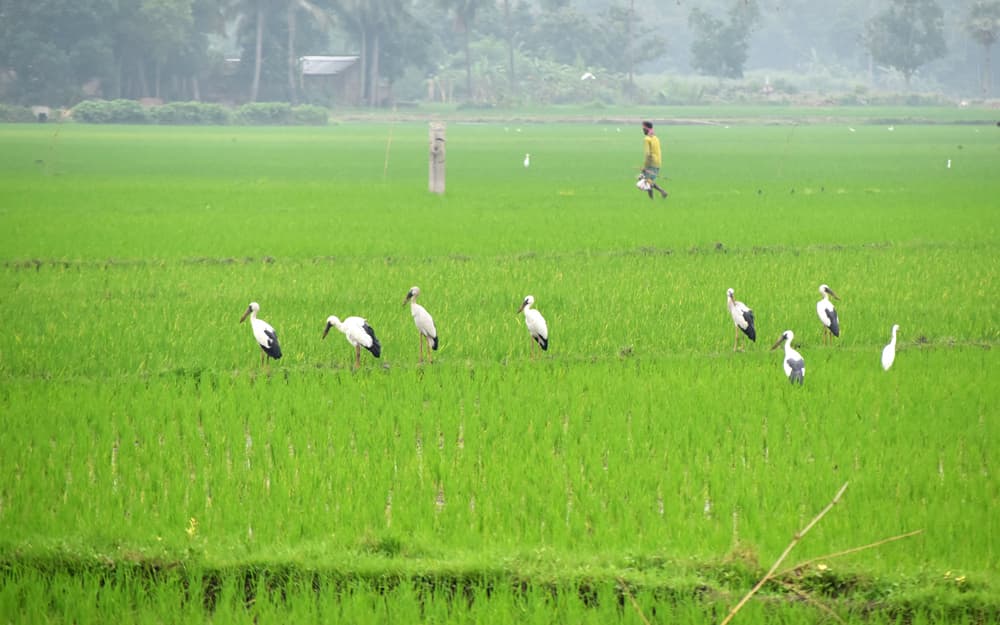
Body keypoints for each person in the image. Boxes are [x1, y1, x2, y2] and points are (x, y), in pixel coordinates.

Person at [640, 121, 668, 199]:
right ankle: (661, 193)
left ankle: (656, 196)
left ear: (646, 129)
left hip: (651, 163)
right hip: (658, 162)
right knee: (648, 180)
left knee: (647, 181)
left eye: (643, 129)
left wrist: (645, 167)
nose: (642, 130)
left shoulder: (647, 139)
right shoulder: (656, 138)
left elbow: (647, 154)